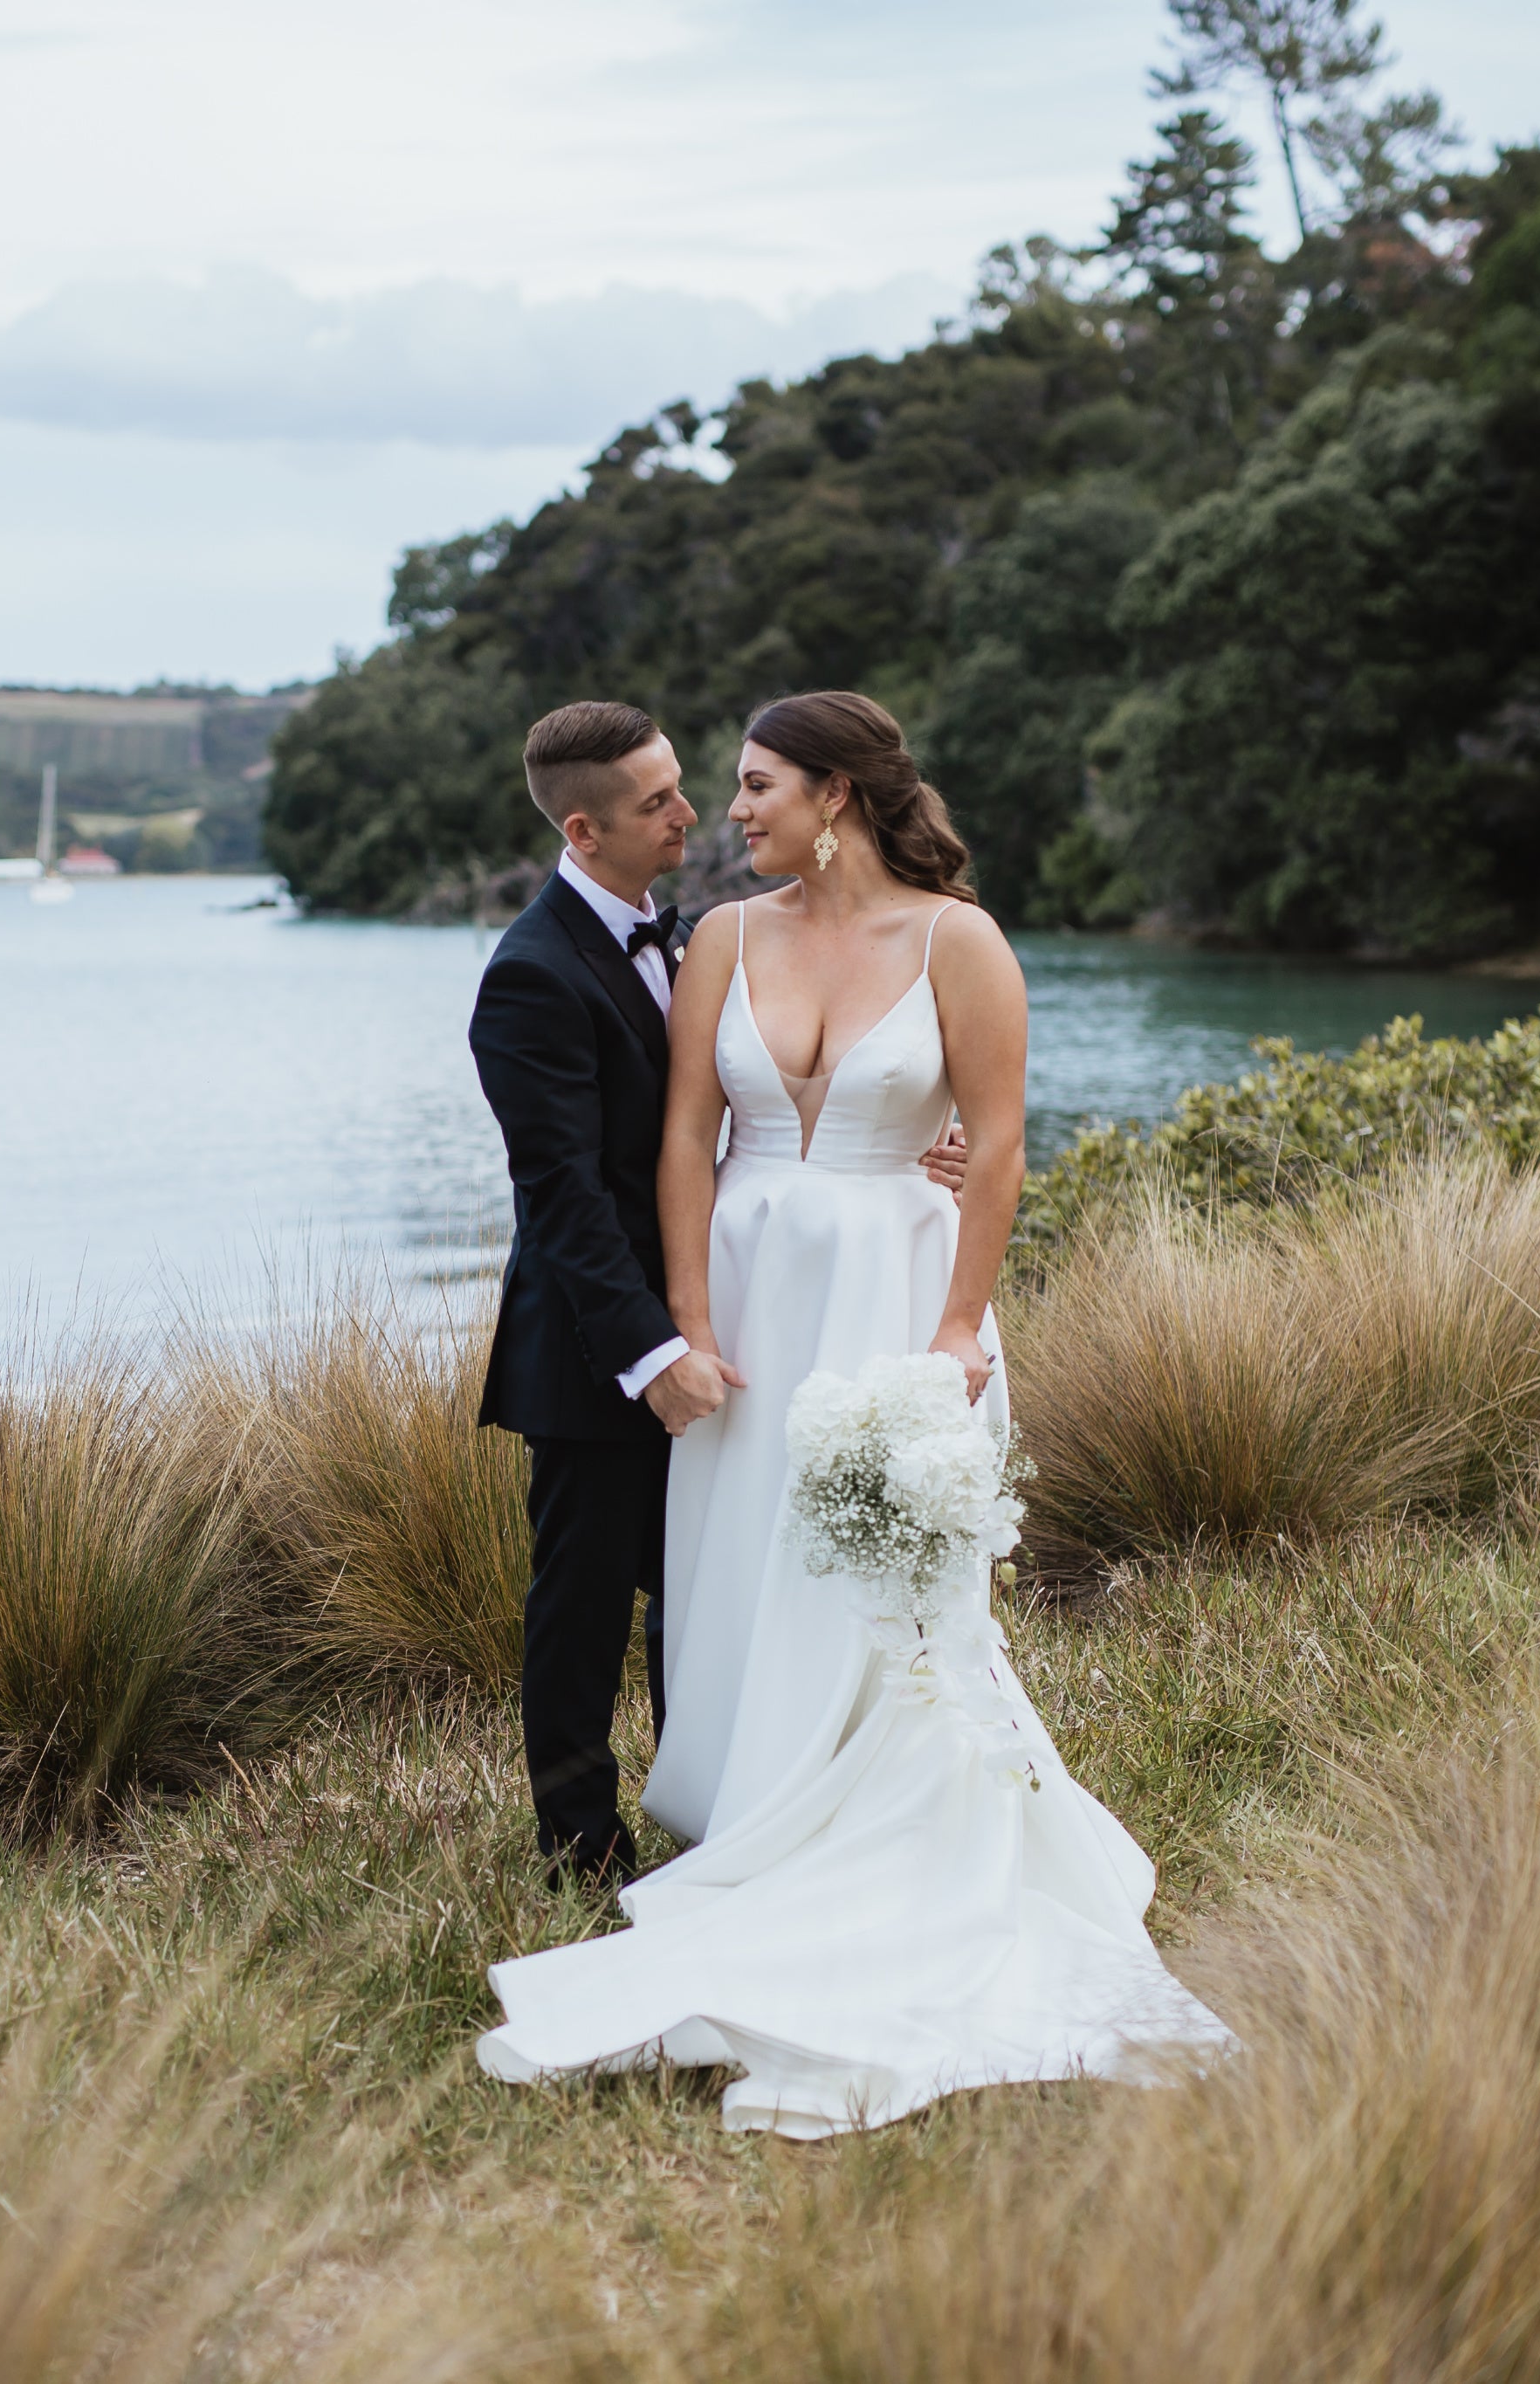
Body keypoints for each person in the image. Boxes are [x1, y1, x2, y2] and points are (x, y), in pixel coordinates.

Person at [476, 690, 1236, 2137]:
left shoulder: (965, 940)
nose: (722, 811)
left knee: (886, 1579)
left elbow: (1003, 1140)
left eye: (753, 785)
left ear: (839, 794)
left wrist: (956, 1328)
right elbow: (681, 1141)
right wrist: (685, 1323)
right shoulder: (719, 940)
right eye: (706, 791)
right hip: (750, 1306)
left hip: (894, 1296)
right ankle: (739, 1814)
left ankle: (896, 1823)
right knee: (740, 1563)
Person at [465, 700, 961, 1888]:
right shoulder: (530, 977)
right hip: (604, 1345)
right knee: (580, 1604)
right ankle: (578, 1847)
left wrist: (909, 1141)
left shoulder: (700, 939)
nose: (693, 812)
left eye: (690, 785)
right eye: (659, 802)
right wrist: (652, 1346)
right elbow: (564, 1198)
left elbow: (777, 1097)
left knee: (707, 1580)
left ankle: (725, 1802)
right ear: (583, 831)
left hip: (738, 1314)